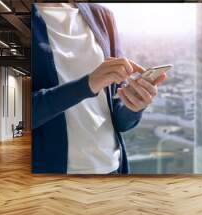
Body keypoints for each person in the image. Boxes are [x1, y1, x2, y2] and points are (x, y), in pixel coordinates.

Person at [31, 3, 166, 174]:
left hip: (111, 167)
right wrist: (87, 85)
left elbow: (118, 120)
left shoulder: (102, 16)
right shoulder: (16, 16)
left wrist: (134, 105)